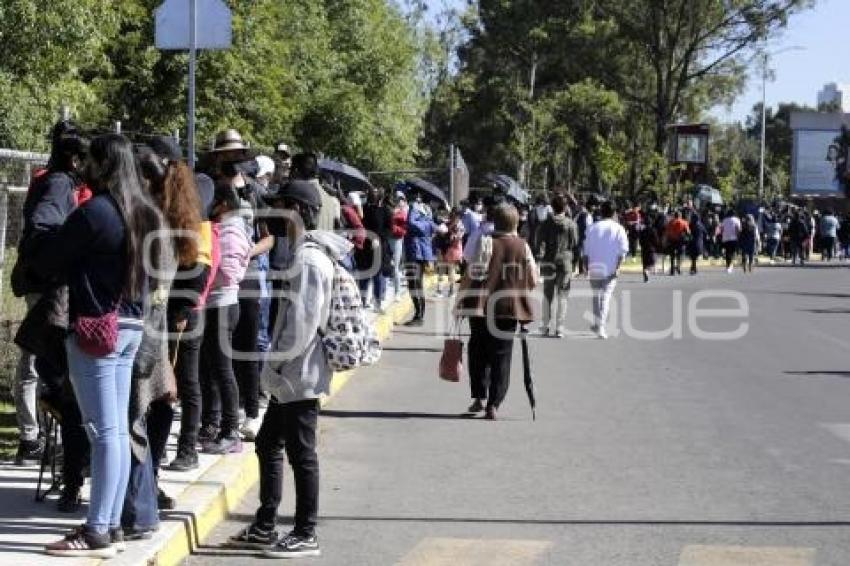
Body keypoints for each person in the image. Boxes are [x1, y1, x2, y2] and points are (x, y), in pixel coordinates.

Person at [42, 134, 162, 557]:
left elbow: (51, 258)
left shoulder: (95, 211)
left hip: (97, 329)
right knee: (114, 431)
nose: (84, 165)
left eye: (90, 159)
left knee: (104, 432)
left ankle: (96, 529)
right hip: (131, 326)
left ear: (103, 164)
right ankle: (107, 524)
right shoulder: (147, 213)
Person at [228, 180, 352, 558]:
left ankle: (305, 532)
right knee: (268, 443)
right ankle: (266, 524)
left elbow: (302, 322)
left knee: (302, 452)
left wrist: (273, 366)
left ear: (295, 209)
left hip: (299, 373)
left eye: (279, 206)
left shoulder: (310, 260)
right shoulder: (303, 254)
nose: (272, 213)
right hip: (290, 374)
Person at [13, 126, 93, 510]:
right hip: (48, 291)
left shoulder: (59, 182)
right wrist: (66, 255)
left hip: (50, 287)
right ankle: (36, 439)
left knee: (51, 370)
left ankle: (56, 446)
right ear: (74, 159)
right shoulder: (59, 183)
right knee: (47, 369)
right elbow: (41, 231)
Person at [456, 203, 537, 420]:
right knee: (502, 356)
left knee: (478, 351)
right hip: (508, 309)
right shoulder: (523, 246)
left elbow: (470, 274)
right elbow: (533, 279)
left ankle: (479, 397)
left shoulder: (485, 242)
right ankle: (494, 404)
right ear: (516, 223)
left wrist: (460, 303)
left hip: (481, 307)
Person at [199, 182, 252, 454]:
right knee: (211, 368)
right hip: (216, 305)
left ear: (222, 204)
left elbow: (227, 274)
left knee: (222, 369)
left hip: (223, 304)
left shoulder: (231, 232)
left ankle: (231, 430)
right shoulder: (227, 228)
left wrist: (203, 279)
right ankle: (216, 423)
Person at [583, 201, 629, 340]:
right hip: (610, 266)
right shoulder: (618, 228)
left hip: (595, 265)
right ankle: (601, 326)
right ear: (614, 213)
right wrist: (618, 267)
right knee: (606, 297)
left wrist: (586, 266)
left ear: (601, 212)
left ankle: (598, 324)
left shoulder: (592, 228)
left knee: (597, 296)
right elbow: (623, 250)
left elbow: (586, 250)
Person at [537, 194, 578, 337]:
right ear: (565, 207)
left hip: (549, 261)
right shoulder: (571, 224)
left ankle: (545, 326)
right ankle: (560, 327)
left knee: (547, 295)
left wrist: (540, 258)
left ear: (552, 207)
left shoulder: (545, 224)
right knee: (563, 295)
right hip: (565, 262)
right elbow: (574, 243)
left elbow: (540, 242)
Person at [357, 187, 392, 311]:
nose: (373, 196)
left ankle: (377, 303)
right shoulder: (364, 209)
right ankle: (362, 301)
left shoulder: (386, 211)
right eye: (372, 194)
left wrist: (378, 238)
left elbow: (389, 230)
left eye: (376, 194)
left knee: (377, 276)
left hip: (378, 247)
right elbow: (360, 225)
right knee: (364, 276)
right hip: (365, 247)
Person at [403, 194, 436, 326]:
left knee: (415, 284)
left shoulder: (416, 209)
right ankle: (418, 314)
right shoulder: (426, 211)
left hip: (416, 252)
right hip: (419, 251)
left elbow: (411, 223)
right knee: (416, 284)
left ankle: (419, 316)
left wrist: (413, 210)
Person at [436, 207, 465, 297]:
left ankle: (441, 291)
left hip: (447, 248)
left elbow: (455, 237)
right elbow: (459, 237)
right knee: (450, 270)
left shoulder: (449, 223)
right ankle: (450, 291)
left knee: (443, 270)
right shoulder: (459, 225)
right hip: (452, 249)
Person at [388, 192, 408, 299]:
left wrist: (393, 227)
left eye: (401, 199)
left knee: (395, 267)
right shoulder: (392, 210)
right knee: (389, 265)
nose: (399, 201)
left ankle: (397, 292)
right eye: (397, 199)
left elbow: (403, 229)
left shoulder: (403, 213)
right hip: (389, 239)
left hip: (397, 239)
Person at [664, 211, 690, 276]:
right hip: (680, 241)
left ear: (674, 216)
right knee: (679, 256)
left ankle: (672, 270)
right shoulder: (684, 222)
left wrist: (666, 240)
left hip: (671, 240)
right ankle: (678, 269)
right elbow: (688, 232)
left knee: (672, 256)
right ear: (680, 216)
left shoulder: (670, 222)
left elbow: (667, 232)